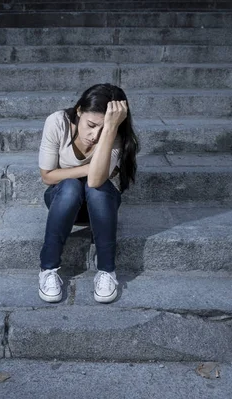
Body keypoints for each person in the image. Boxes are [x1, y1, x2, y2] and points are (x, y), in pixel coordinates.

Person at [37, 83, 139, 303]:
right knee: (71, 185)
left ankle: (106, 271)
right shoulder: (57, 122)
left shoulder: (115, 134)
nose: (94, 135)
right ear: (79, 111)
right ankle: (47, 270)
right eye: (91, 125)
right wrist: (84, 169)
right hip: (63, 202)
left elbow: (94, 180)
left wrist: (111, 130)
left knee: (99, 188)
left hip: (101, 206)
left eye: (103, 129)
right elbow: (47, 176)